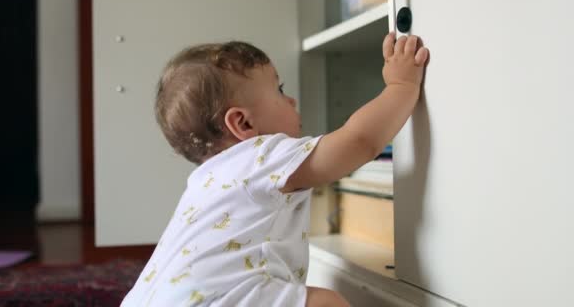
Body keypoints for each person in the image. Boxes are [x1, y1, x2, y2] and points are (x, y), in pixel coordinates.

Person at [122, 32, 429, 307]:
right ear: (243, 123)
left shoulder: (203, 182)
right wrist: (401, 85)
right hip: (212, 299)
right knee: (324, 303)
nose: (292, 99)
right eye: (280, 90)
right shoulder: (259, 154)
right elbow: (359, 142)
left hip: (149, 298)